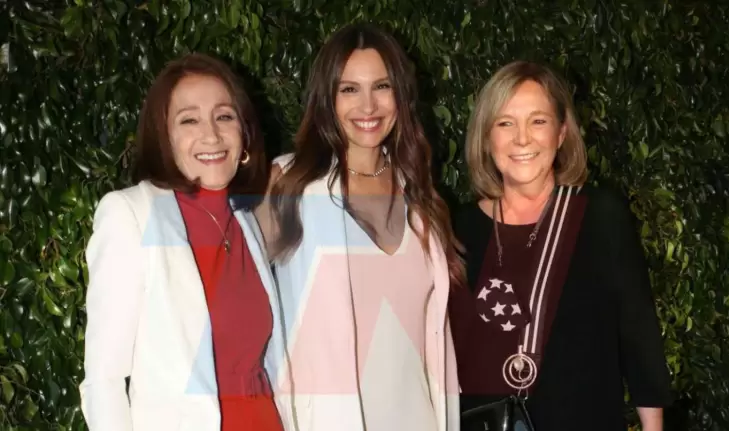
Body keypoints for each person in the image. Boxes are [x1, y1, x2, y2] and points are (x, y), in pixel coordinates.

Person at [255, 23, 463, 431]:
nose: (368, 106)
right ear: (327, 99)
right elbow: (242, 309)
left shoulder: (420, 195)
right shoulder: (289, 185)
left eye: (382, 86)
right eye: (349, 89)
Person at [448, 60, 673, 431]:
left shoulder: (600, 216)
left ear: (562, 132)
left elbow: (639, 337)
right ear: (486, 138)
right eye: (505, 123)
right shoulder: (459, 229)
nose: (522, 139)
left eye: (538, 121)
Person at [79, 53, 286, 431]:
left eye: (224, 116)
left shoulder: (245, 220)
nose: (212, 135)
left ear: (244, 134)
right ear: (165, 137)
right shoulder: (131, 214)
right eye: (189, 120)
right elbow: (103, 380)